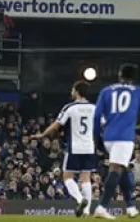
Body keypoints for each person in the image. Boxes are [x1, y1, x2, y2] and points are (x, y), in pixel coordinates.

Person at [92, 64, 140, 219]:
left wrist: (97, 138)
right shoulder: (139, 92)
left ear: (119, 75)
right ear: (135, 77)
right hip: (125, 137)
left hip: (108, 136)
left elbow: (96, 116)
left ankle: (130, 206)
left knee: (123, 169)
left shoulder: (106, 90)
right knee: (116, 169)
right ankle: (102, 206)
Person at [32, 81, 96, 217]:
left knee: (67, 176)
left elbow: (56, 125)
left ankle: (80, 199)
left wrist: (43, 134)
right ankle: (87, 210)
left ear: (77, 92)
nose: (71, 92)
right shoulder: (94, 108)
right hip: (89, 147)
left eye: (72, 90)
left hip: (75, 147)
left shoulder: (70, 107)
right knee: (86, 178)